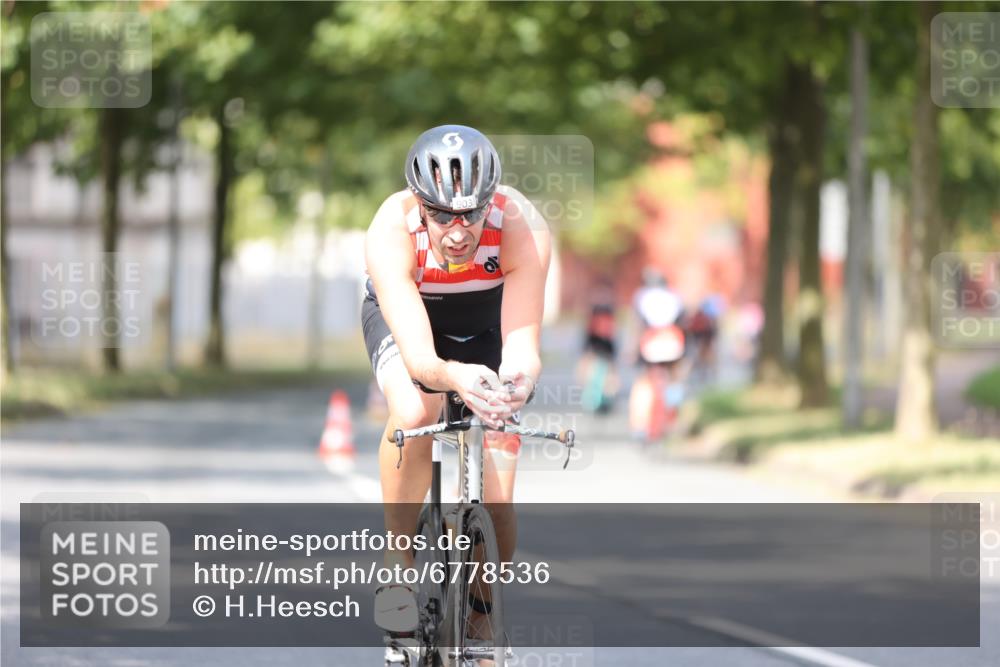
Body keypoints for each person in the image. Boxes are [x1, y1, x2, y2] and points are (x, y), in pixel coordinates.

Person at [361, 125, 551, 634]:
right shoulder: (391, 228)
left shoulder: (521, 225)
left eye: (471, 212)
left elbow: (523, 349)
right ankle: (398, 565)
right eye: (441, 214)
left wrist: (513, 386)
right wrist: (452, 378)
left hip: (487, 327)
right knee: (416, 410)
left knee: (499, 497)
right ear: (419, 204)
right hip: (414, 327)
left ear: (492, 201)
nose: (458, 230)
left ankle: (482, 617)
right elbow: (422, 361)